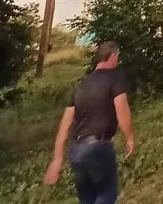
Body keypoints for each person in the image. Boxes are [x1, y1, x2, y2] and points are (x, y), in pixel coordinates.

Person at [43, 40, 136, 204]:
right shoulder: (114, 78)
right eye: (118, 56)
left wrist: (57, 159)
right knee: (107, 195)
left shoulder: (81, 86)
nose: (118, 60)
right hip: (98, 148)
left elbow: (64, 126)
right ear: (113, 56)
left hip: (76, 151)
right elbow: (122, 109)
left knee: (87, 199)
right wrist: (129, 138)